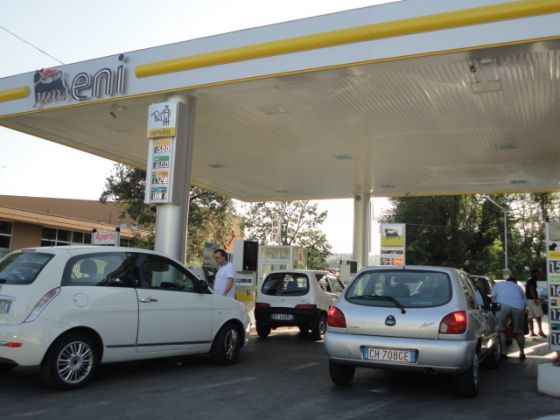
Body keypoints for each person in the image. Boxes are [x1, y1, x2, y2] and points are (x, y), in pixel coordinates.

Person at [491, 277, 528, 360]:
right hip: (518, 307)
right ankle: (522, 353)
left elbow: (493, 299)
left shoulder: (498, 284)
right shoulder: (519, 287)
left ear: (507, 281)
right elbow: (525, 303)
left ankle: (503, 353)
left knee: (501, 330)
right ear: (515, 282)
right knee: (519, 332)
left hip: (503, 305)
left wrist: (496, 309)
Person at [526, 268, 547, 338]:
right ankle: (540, 331)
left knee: (530, 316)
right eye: (538, 273)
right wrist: (535, 299)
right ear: (534, 274)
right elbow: (532, 289)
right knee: (538, 315)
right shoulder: (532, 280)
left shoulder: (529, 280)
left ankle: (532, 332)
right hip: (532, 300)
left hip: (528, 300)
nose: (539, 275)